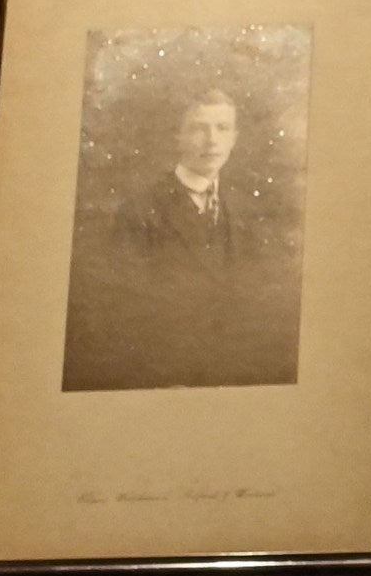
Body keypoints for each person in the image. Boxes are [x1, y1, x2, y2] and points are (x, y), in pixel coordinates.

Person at [63, 90, 301, 391]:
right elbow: (122, 314)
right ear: (177, 136)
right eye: (198, 128)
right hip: (168, 377)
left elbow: (262, 304)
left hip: (239, 377)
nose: (212, 140)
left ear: (235, 138)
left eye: (222, 128)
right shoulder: (140, 210)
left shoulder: (248, 209)